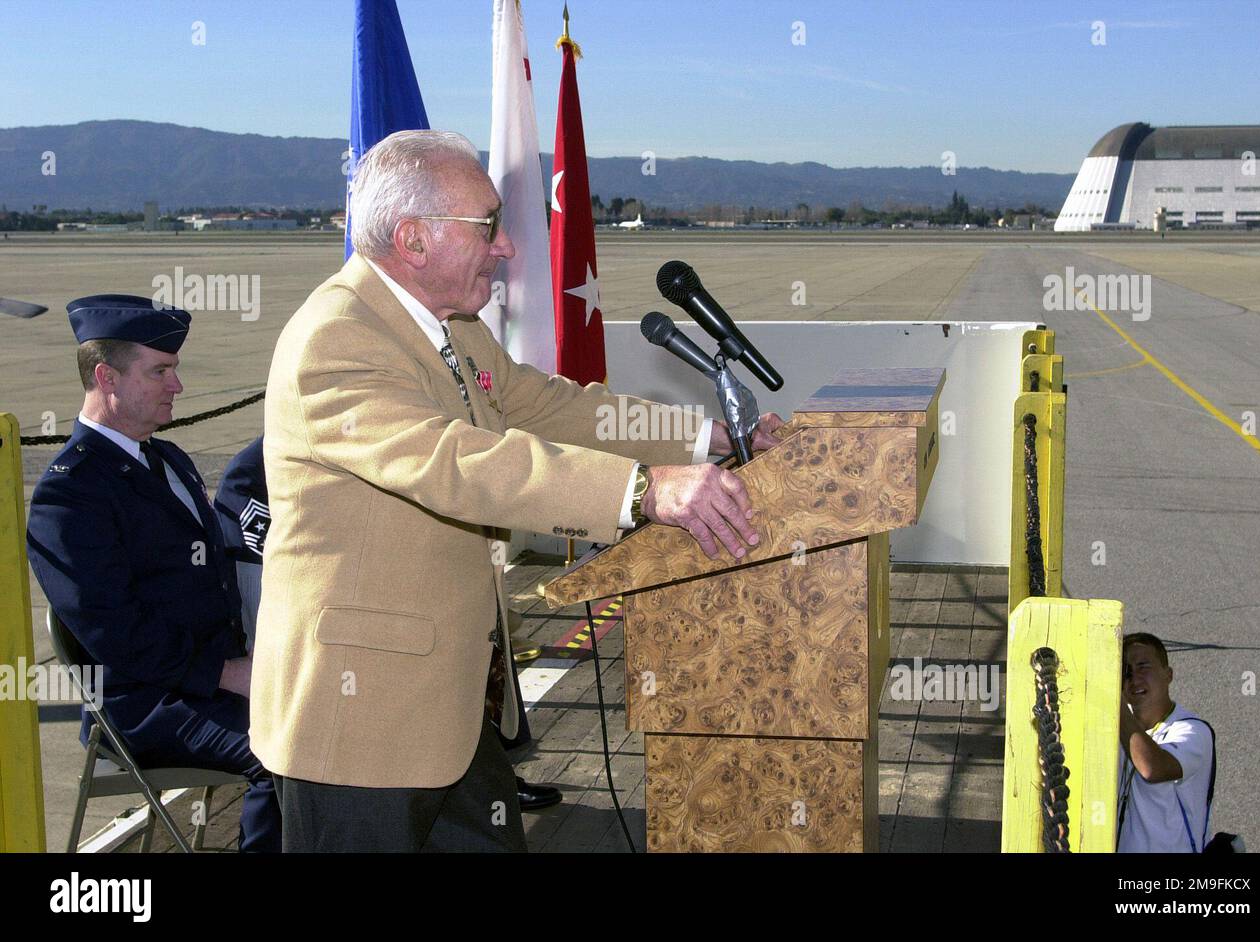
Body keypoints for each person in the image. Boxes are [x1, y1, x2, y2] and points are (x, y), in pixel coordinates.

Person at [252, 129, 783, 852]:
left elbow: (546, 405)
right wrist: (642, 492)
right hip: (360, 721)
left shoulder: (454, 328)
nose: (505, 247)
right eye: (488, 226)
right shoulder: (337, 338)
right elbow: (456, 462)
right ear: (413, 239)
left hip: (446, 701)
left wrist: (701, 439)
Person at [26, 295, 281, 852]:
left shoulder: (168, 460)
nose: (177, 386)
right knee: (284, 757)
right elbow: (114, 631)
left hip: (210, 682)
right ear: (105, 377)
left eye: (175, 369)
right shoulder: (68, 496)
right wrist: (225, 672)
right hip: (147, 703)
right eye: (160, 371)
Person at [215, 435, 563, 812]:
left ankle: (488, 781)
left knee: (468, 632)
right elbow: (271, 574)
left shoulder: (374, 432)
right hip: (310, 625)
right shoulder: (259, 467)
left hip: (375, 600)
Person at [1117, 632, 1214, 853]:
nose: (1134, 679)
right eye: (1125, 671)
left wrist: (1116, 704)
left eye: (1143, 667)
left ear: (1168, 675)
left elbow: (1152, 769)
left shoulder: (1193, 731)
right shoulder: (1116, 730)